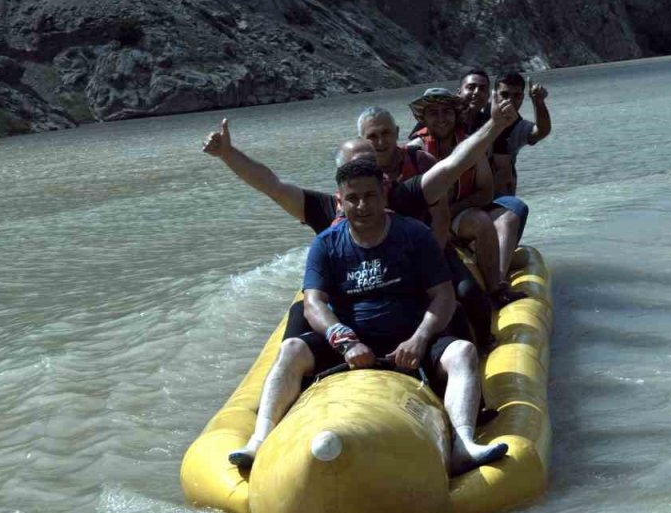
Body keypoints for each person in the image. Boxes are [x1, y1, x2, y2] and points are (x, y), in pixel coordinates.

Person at [226, 158, 509, 475]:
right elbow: (313, 303)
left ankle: (462, 444)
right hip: (352, 341)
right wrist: (345, 342)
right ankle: (260, 440)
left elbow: (443, 295)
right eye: (353, 198)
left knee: (463, 352)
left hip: (410, 339)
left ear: (384, 196)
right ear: (340, 201)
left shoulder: (414, 235)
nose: (362, 205)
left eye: (370, 196)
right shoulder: (326, 245)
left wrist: (419, 339)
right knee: (291, 349)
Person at [201, 99, 520, 345]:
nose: (365, 179)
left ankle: (483, 353)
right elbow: (270, 183)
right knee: (299, 313)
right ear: (340, 179)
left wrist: (493, 126)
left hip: (413, 279)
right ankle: (293, 387)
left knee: (467, 296)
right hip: (355, 291)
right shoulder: (324, 207)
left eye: (371, 166)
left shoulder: (403, 194)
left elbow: (453, 165)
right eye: (357, 168)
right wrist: (228, 154)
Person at [407, 88, 522, 306]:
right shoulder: (414, 150)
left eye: (446, 112)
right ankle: (489, 289)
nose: (441, 119)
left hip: (459, 214)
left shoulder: (469, 146)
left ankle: (496, 284)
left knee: (508, 217)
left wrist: (452, 211)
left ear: (456, 114)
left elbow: (485, 191)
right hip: (427, 222)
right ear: (423, 118)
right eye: (434, 113)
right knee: (479, 220)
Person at [488, 72, 551, 197]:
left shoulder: (518, 126)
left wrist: (538, 102)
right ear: (494, 95)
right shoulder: (478, 116)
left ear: (522, 97)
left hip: (501, 191)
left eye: (516, 96)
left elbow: (541, 131)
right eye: (504, 95)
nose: (510, 100)